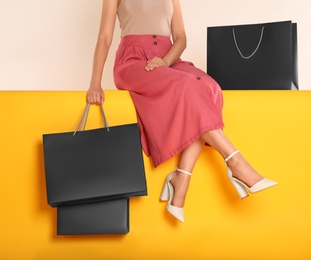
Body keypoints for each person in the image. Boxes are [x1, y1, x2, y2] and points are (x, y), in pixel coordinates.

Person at [87, 0, 277, 222]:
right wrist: (94, 83)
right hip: (134, 61)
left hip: (168, 58)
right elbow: (104, 37)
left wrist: (166, 61)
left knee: (210, 87)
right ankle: (235, 162)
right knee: (187, 87)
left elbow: (181, 38)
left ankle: (181, 177)